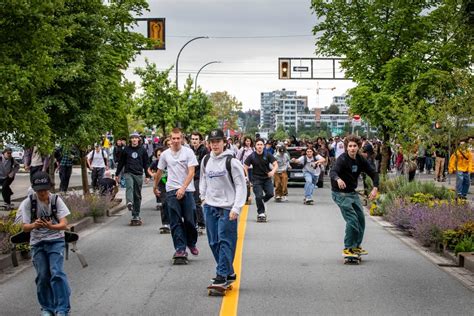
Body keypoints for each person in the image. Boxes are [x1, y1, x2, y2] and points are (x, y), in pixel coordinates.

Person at [18, 171, 71, 316]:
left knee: (57, 273)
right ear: (34, 189)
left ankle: (62, 309)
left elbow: (64, 224)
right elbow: (24, 227)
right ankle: (47, 308)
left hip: (56, 240)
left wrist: (51, 226)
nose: (42, 193)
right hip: (37, 242)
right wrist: (34, 225)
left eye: (45, 190)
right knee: (42, 276)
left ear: (49, 188)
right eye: (39, 190)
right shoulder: (29, 202)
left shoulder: (56, 200)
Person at [199, 129, 246, 288]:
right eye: (212, 142)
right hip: (210, 207)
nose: (215, 144)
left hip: (227, 208)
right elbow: (203, 180)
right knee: (213, 242)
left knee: (225, 241)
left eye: (218, 141)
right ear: (209, 143)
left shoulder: (232, 162)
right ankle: (229, 273)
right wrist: (203, 198)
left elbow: (241, 185)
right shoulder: (206, 160)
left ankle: (221, 276)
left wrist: (237, 208)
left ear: (224, 142)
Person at [330, 135, 379, 258]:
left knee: (361, 219)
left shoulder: (360, 159)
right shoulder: (342, 159)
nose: (352, 148)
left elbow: (373, 173)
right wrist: (338, 179)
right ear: (347, 147)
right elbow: (333, 172)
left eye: (354, 146)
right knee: (352, 220)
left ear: (358, 147)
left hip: (352, 193)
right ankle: (348, 248)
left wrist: (375, 188)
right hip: (340, 193)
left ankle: (356, 246)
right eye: (350, 146)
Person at [154, 128, 199, 259]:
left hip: (187, 190)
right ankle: (180, 248)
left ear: (182, 138)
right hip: (171, 190)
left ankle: (191, 243)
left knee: (190, 220)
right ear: (170, 139)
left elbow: (192, 172)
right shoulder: (165, 154)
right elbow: (159, 172)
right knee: (175, 221)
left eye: (178, 138)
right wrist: (155, 186)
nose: (176, 141)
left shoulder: (188, 152)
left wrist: (183, 188)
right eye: (173, 138)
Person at [115, 132, 149, 223]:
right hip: (128, 172)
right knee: (129, 186)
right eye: (132, 138)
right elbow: (121, 163)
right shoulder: (126, 150)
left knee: (137, 195)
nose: (134, 139)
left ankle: (136, 215)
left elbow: (146, 164)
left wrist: (147, 175)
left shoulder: (142, 150)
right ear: (130, 140)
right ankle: (129, 202)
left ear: (139, 139)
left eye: (136, 138)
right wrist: (117, 174)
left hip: (138, 174)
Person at [243, 138, 278, 222]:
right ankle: (261, 213)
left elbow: (275, 164)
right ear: (255, 146)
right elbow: (245, 166)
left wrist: (273, 171)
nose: (259, 146)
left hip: (267, 178)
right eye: (258, 144)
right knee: (258, 196)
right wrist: (246, 177)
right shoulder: (252, 156)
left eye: (261, 144)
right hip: (256, 179)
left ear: (264, 146)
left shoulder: (268, 154)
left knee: (270, 194)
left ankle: (263, 201)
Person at [148, 147, 170, 233]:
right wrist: (153, 175)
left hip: (172, 184)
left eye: (162, 155)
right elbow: (149, 169)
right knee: (164, 203)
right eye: (158, 155)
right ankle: (165, 224)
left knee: (173, 204)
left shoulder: (170, 161)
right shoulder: (156, 162)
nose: (160, 157)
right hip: (162, 184)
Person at [191, 132, 209, 233]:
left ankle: (201, 223)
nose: (194, 141)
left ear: (200, 140)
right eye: (193, 139)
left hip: (199, 177)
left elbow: (204, 166)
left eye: (196, 139)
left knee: (196, 201)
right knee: (190, 202)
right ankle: (193, 222)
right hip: (190, 178)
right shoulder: (189, 150)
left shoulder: (203, 150)